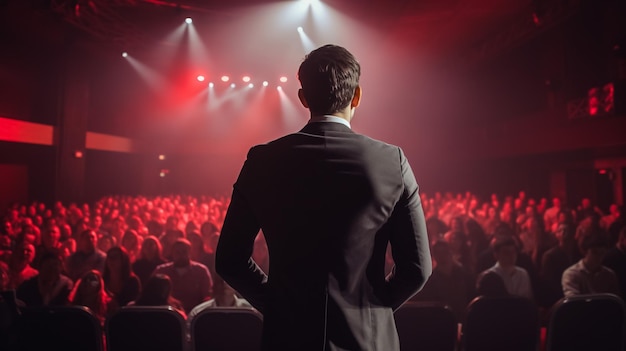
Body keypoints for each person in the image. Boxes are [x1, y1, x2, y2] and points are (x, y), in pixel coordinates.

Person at [215, 44, 432, 351]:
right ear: (356, 95)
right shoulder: (391, 161)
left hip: (288, 338)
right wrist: (372, 309)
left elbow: (229, 260)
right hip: (367, 340)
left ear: (303, 98)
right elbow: (417, 269)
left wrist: (276, 303)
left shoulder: (262, 160)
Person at [154, 239, 212, 313]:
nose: (181, 255)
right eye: (177, 252)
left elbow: (208, 296)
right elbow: (152, 293)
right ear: (172, 253)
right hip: (167, 313)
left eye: (184, 251)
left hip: (195, 313)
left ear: (190, 252)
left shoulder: (201, 271)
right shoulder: (162, 270)